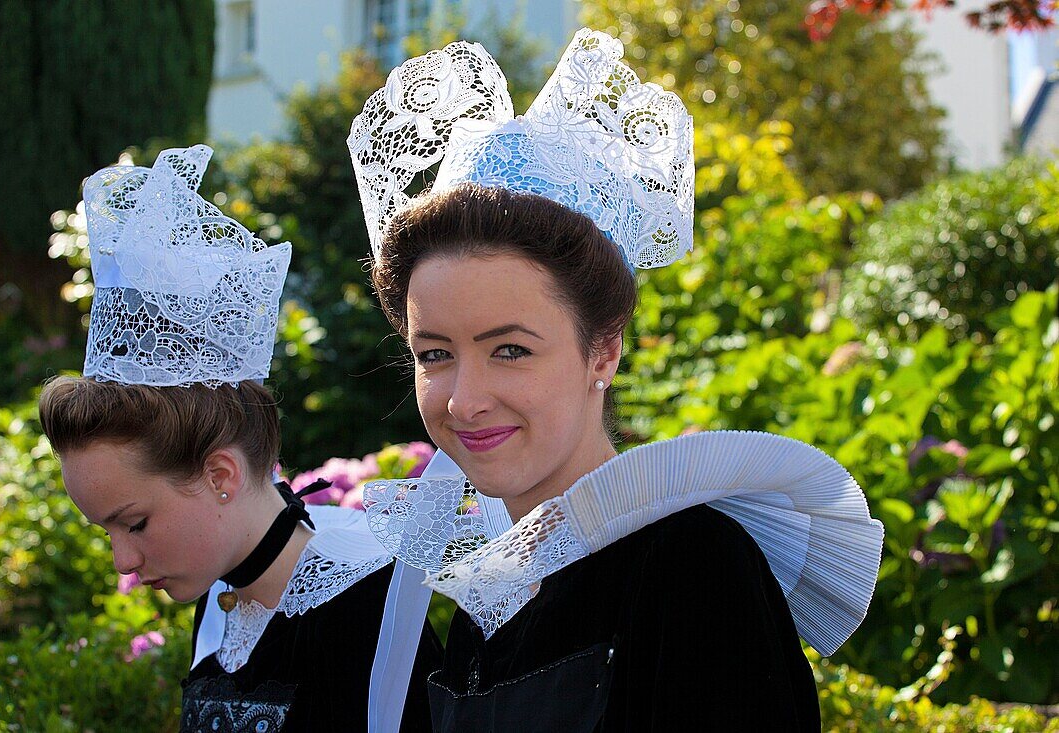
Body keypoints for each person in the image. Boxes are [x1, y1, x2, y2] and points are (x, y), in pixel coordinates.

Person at [348, 29, 884, 731]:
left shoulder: (692, 568)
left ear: (604, 350)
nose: (463, 399)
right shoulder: (490, 603)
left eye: (509, 349)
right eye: (433, 353)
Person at [38, 145, 440, 733]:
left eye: (135, 522)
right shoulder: (220, 599)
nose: (123, 559)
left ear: (220, 475)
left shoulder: (367, 608)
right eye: (108, 531)